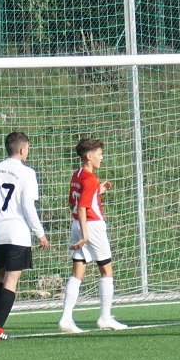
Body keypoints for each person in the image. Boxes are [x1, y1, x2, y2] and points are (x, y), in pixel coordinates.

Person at [0, 131, 50, 341]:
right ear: (23, 149)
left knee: (0, 276)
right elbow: (28, 206)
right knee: (11, 280)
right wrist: (40, 233)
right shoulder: (27, 173)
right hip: (17, 234)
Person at [58, 138, 128, 333]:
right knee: (106, 270)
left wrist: (98, 191)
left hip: (76, 224)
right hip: (92, 226)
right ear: (89, 156)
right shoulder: (90, 178)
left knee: (77, 273)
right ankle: (105, 317)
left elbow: (73, 203)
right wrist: (86, 234)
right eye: (99, 154)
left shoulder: (77, 175)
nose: (101, 157)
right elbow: (82, 207)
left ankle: (66, 318)